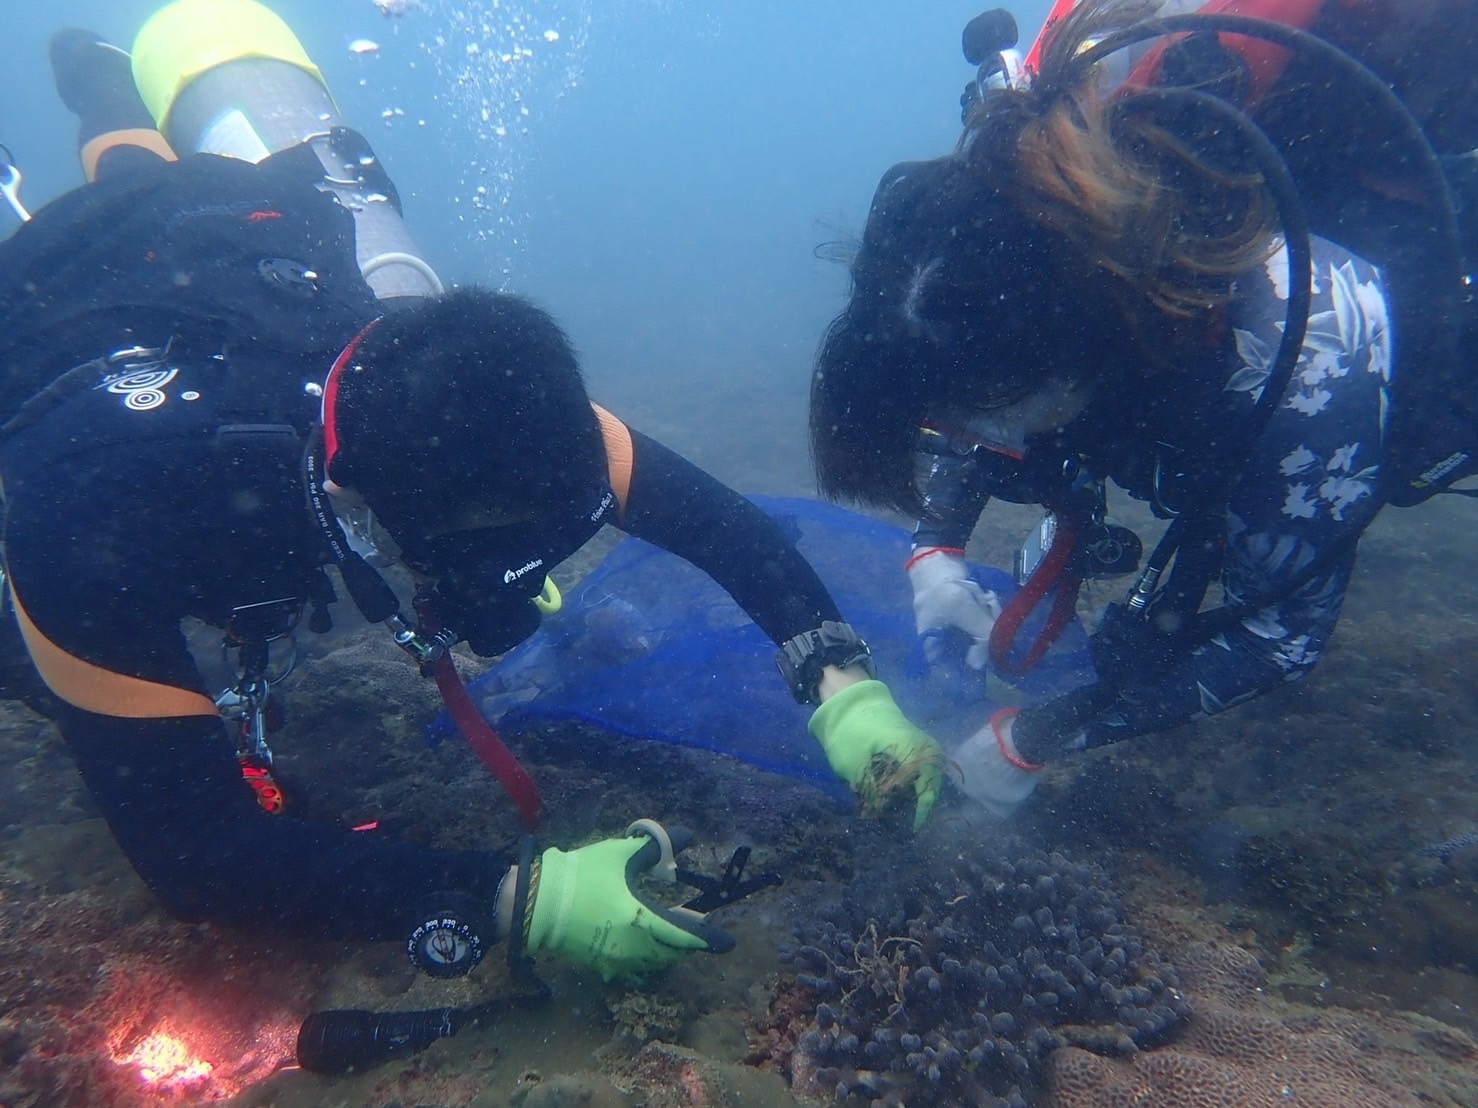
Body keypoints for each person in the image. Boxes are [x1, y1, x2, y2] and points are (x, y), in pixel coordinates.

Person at [0, 3, 944, 987]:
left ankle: (117, 103)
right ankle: (108, 99)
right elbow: (193, 854)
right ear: (359, 504)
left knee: (145, 181)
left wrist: (844, 692)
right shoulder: (91, 513)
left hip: (231, 224)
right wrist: (509, 895)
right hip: (52, 311)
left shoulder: (488, 412)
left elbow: (724, 528)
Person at [809, 0, 1478, 818]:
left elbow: (1282, 638)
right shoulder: (1005, 202)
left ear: (1078, 356)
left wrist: (1043, 737)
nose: (976, 445)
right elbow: (969, 376)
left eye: (990, 421)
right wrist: (934, 553)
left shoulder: (1302, 350)